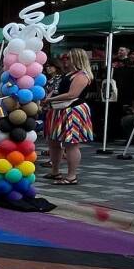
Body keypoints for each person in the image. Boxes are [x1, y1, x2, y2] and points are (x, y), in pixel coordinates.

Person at [43, 48, 93, 185]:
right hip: (59, 109)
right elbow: (59, 90)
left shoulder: (82, 75)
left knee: (71, 144)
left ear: (77, 59)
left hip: (73, 110)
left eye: (69, 58)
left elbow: (72, 94)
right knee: (53, 142)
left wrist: (50, 100)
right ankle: (55, 171)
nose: (66, 60)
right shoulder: (70, 74)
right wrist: (50, 97)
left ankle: (71, 176)